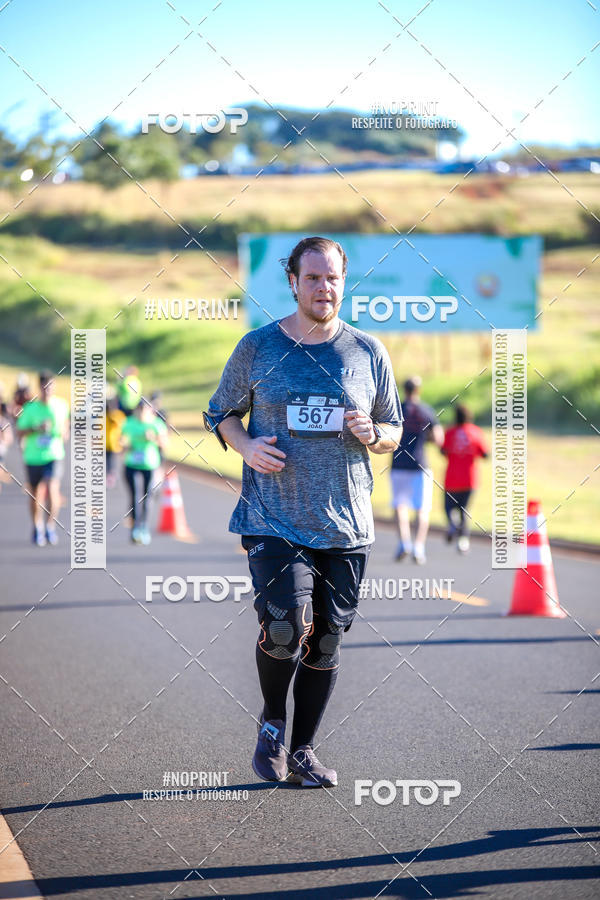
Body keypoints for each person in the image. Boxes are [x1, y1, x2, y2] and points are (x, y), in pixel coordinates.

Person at [205, 235, 403, 788]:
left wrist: (376, 434)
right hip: (274, 516)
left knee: (328, 639)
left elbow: (394, 427)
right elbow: (221, 411)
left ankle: (304, 751)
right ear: (293, 282)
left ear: (344, 281)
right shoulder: (259, 347)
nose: (323, 288)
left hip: (345, 523)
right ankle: (272, 719)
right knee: (287, 626)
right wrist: (245, 447)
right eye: (312, 278)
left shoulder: (367, 352)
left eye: (332, 278)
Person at [390, 375, 443, 565]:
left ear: (404, 390)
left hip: (399, 464)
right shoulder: (426, 410)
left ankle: (404, 543)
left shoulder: (398, 409)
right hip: (420, 464)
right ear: (418, 390)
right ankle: (419, 547)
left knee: (400, 506)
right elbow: (438, 439)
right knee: (422, 508)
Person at [17, 371, 69, 546]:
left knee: (53, 490)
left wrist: (60, 432)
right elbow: (20, 431)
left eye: (50, 386)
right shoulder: (30, 408)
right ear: (40, 388)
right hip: (33, 456)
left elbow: (65, 431)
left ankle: (50, 525)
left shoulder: (62, 406)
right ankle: (37, 526)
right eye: (44, 387)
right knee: (36, 494)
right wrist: (36, 428)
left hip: (54, 454)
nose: (47, 390)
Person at [441, 403, 488, 553]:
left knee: (448, 507)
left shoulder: (450, 432)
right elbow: (484, 454)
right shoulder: (476, 432)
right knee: (464, 510)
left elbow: (443, 451)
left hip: (452, 478)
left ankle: (453, 525)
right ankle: (463, 540)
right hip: (470, 478)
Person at [120, 399, 168, 544]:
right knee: (135, 496)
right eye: (139, 410)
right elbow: (121, 442)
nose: (141, 413)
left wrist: (152, 438)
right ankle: (135, 527)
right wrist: (125, 445)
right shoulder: (129, 423)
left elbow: (165, 445)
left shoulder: (156, 424)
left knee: (148, 497)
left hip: (149, 465)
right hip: (132, 464)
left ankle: (144, 527)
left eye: (145, 409)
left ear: (150, 411)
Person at [105, 393, 126, 489]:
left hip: (115, 444)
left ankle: (112, 475)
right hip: (106, 443)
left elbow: (120, 426)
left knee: (113, 461)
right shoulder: (103, 416)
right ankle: (109, 475)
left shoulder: (119, 415)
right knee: (107, 461)